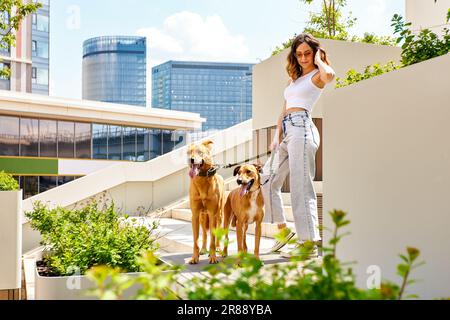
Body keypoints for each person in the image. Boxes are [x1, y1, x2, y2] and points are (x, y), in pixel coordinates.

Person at [261, 33, 335, 258]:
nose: (303, 58)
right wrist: (276, 136)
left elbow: (330, 75)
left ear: (314, 53)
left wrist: (320, 59)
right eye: (299, 54)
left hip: (303, 129)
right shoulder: (293, 80)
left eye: (308, 53)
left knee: (301, 186)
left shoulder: (316, 76)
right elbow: (284, 110)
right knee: (267, 178)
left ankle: (309, 243)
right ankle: (284, 233)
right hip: (287, 131)